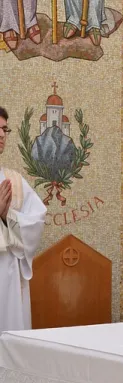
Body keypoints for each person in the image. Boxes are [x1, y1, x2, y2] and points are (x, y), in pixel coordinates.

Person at [0, 107, 46, 331]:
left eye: (4, 129)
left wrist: (6, 216)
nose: (1, 135)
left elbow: (37, 221)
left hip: (8, 276)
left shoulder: (14, 181)